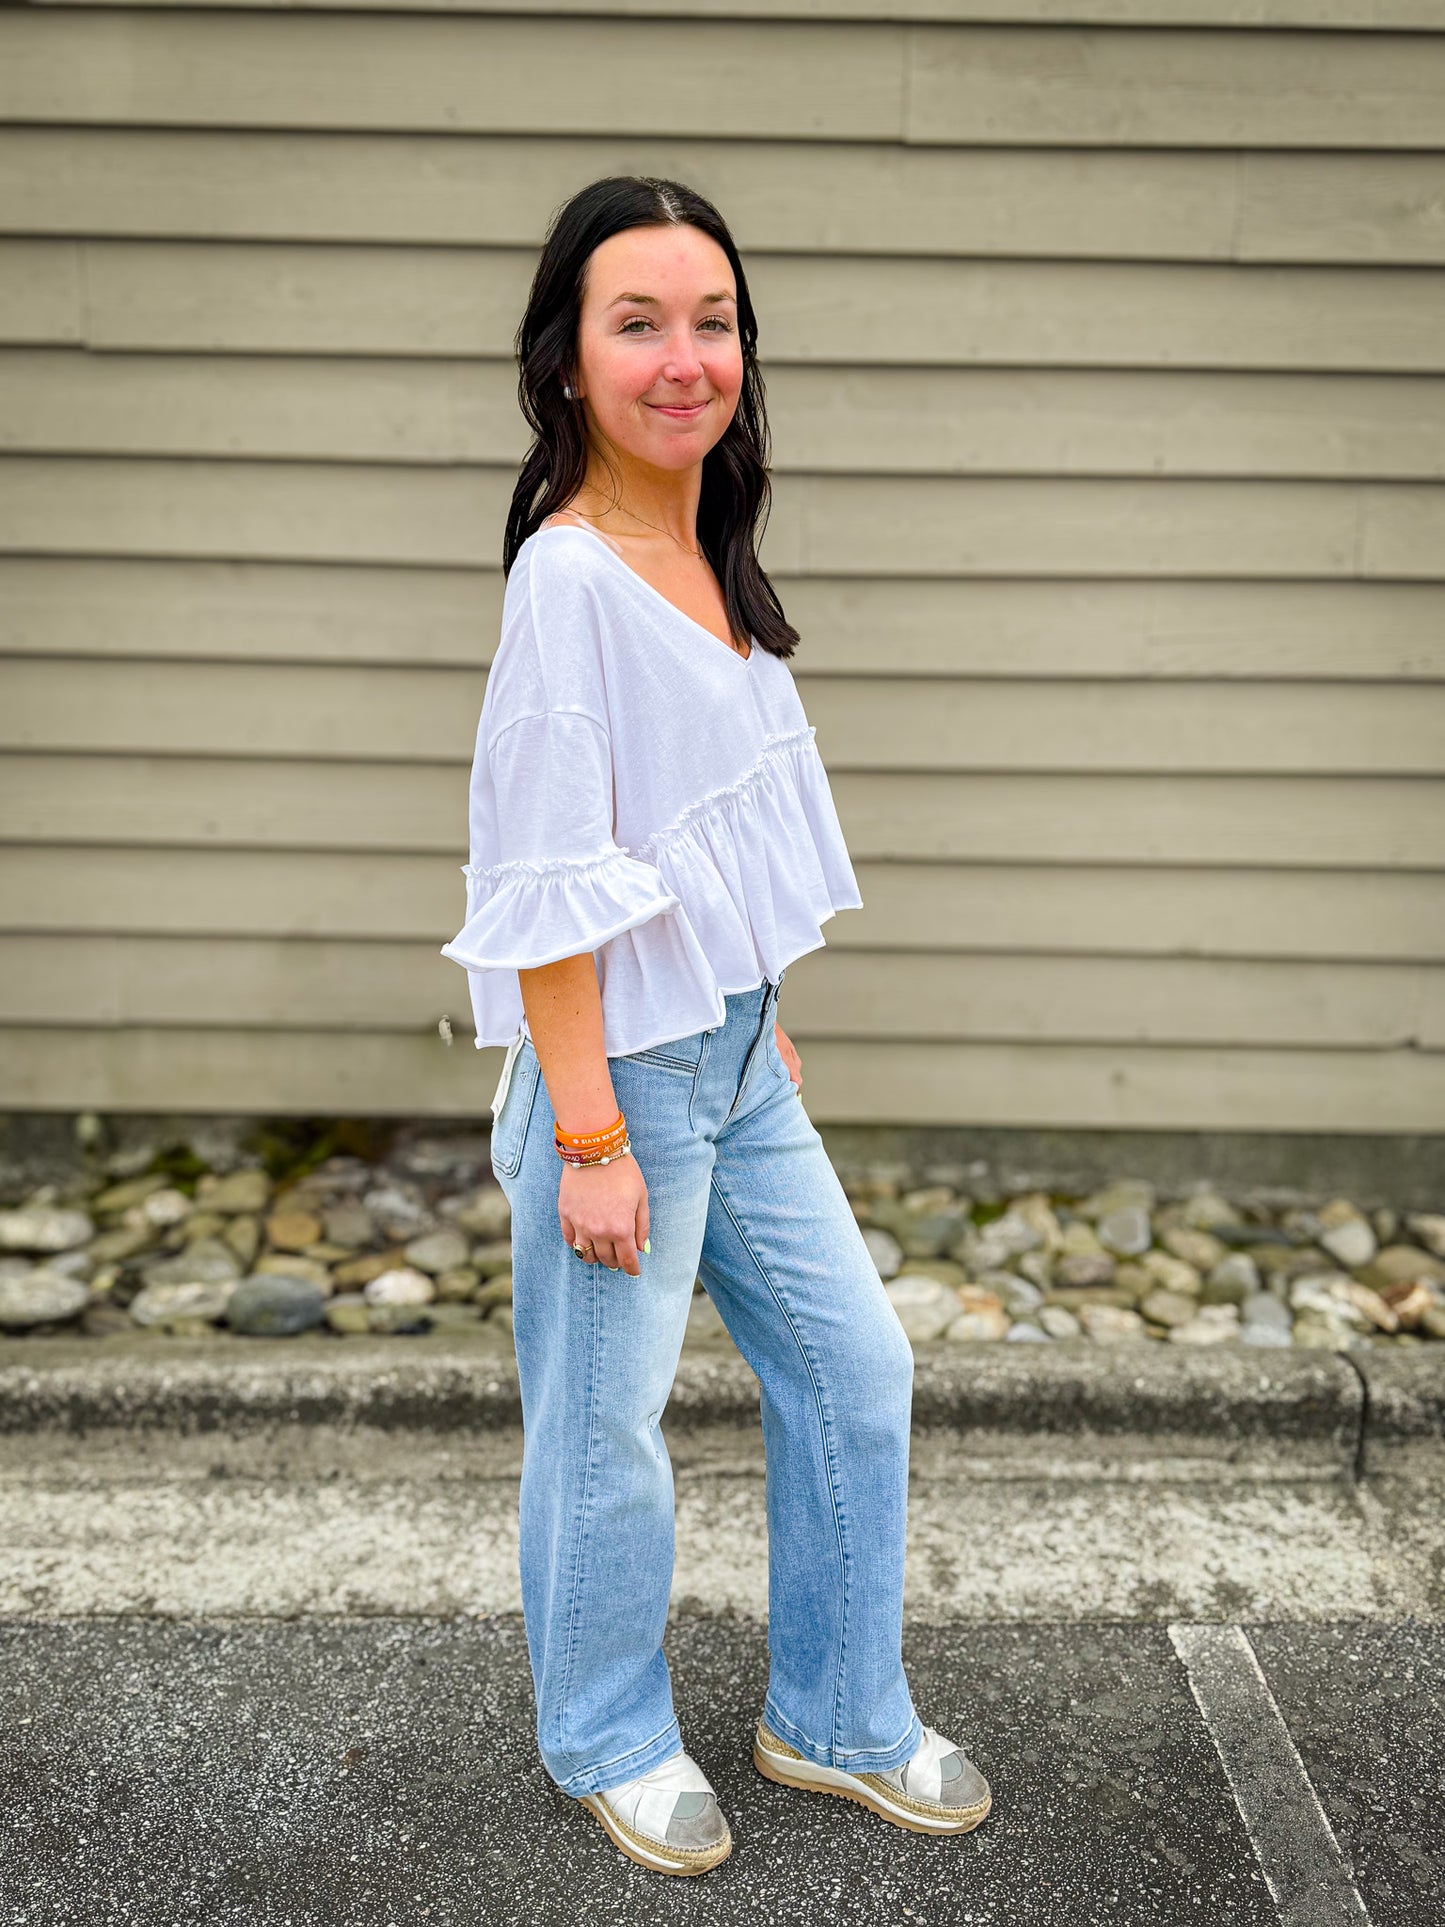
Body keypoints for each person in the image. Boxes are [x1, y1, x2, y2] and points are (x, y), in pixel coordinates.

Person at [441, 175, 991, 1877]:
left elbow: (703, 828)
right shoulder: (570, 583)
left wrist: (765, 1009)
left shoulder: (698, 545)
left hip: (737, 1058)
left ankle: (830, 1717)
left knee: (853, 1366)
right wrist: (592, 1130)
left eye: (713, 320)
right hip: (623, 1077)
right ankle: (606, 1733)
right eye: (637, 324)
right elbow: (547, 879)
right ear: (563, 364)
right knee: (605, 1434)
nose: (686, 359)